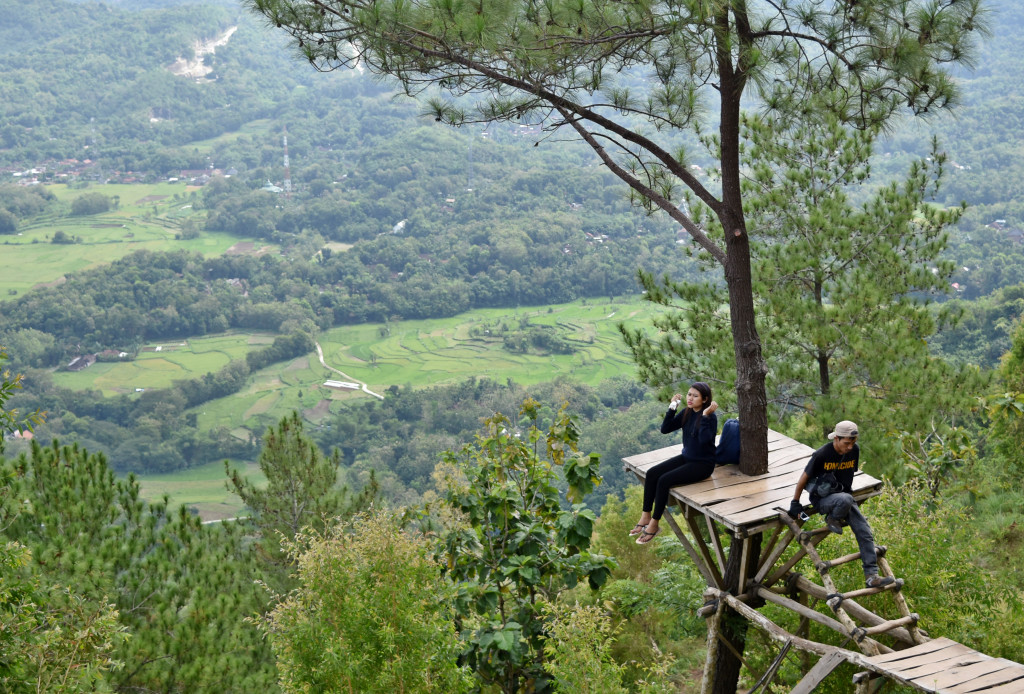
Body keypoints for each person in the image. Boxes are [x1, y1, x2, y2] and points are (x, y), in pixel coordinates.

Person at [788, 420, 896, 589]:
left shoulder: (854, 451)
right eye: (847, 443)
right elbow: (804, 478)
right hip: (823, 500)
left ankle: (871, 576)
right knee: (845, 499)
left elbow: (848, 474)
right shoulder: (822, 454)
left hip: (844, 497)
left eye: (853, 442)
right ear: (836, 439)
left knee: (864, 531)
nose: (850, 447)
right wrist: (795, 502)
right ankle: (832, 519)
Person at [631, 382, 718, 545]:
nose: (690, 398)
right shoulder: (687, 412)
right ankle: (645, 515)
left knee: (664, 480)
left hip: (703, 465)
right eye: (689, 394)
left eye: (695, 396)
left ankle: (654, 524)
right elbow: (665, 429)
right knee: (652, 473)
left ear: (705, 399)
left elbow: (705, 440)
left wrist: (706, 416)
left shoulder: (710, 418)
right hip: (687, 457)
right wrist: (672, 408)